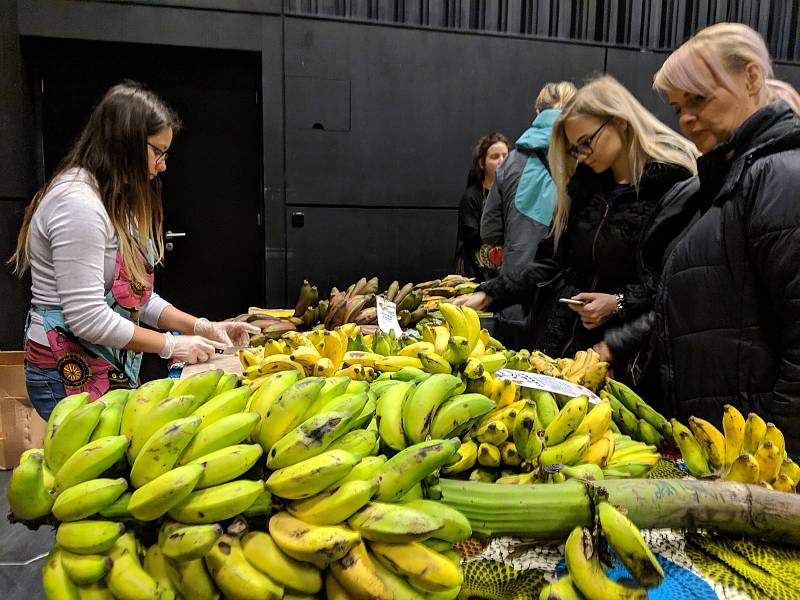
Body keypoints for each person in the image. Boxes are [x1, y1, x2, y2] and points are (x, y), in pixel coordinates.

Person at [9, 81, 258, 420]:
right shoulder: (77, 205)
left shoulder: (115, 201)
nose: (163, 165)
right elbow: (88, 318)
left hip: (103, 364)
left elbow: (137, 298)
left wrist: (201, 326)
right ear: (126, 143)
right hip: (65, 370)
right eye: (158, 152)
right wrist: (170, 345)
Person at [454, 76, 696, 376]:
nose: (583, 155)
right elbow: (551, 263)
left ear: (619, 122)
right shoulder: (583, 190)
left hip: (626, 359)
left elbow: (676, 286)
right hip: (565, 346)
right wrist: (490, 293)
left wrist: (618, 303)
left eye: (586, 142)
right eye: (574, 149)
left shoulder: (674, 187)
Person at [649, 22, 800, 454]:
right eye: (679, 106)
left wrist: (774, 461)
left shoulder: (781, 178)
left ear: (751, 78)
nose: (686, 118)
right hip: (715, 453)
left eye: (698, 99)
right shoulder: (722, 180)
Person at [479, 81, 576, 346]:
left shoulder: (510, 163)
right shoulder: (585, 158)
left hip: (513, 298)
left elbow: (489, 231)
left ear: (537, 111)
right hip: (568, 304)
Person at [454, 132, 509, 280]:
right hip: (474, 274)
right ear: (482, 163)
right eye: (495, 157)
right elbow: (470, 237)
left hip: (504, 275)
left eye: (505, 156)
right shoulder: (471, 196)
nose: (501, 161)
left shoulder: (513, 195)